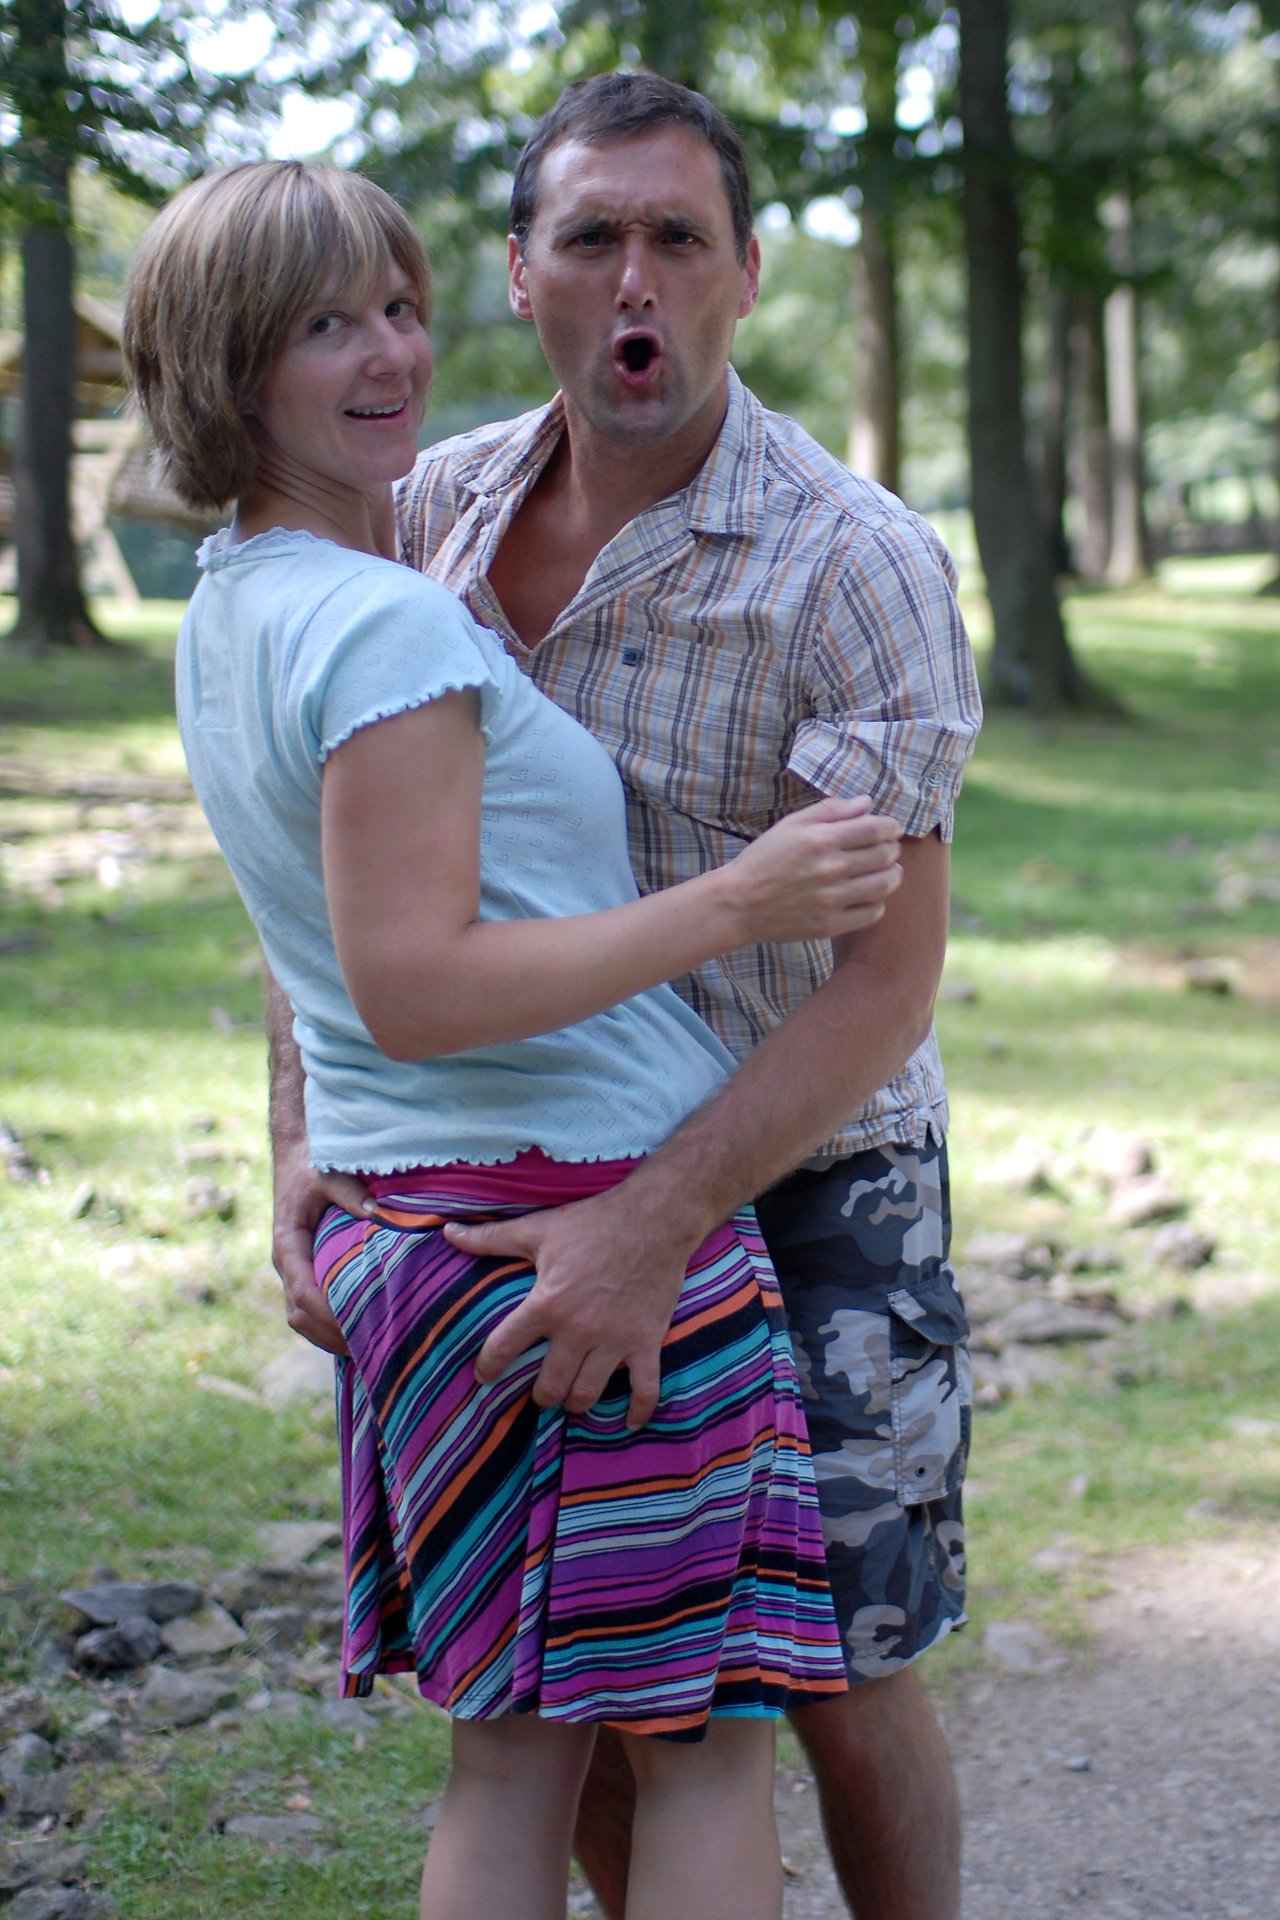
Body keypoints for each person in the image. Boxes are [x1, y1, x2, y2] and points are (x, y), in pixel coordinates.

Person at [123, 159, 912, 1920]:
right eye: (326, 324)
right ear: (226, 365)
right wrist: (739, 902)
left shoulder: (240, 601)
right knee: (701, 1749)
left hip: (421, 1233)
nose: (391, 352)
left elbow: (333, 959)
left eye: (399, 306)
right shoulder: (392, 618)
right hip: (573, 1230)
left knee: (509, 1763)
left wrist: (302, 1145)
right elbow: (414, 978)